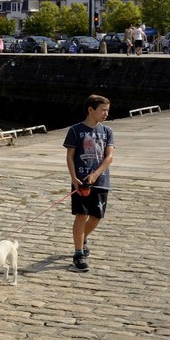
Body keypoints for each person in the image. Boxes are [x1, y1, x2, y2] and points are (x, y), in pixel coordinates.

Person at [64, 94, 114, 271]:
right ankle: (78, 253)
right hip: (80, 182)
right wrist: (74, 178)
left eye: (107, 110)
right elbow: (70, 157)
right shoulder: (75, 130)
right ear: (91, 110)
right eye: (103, 110)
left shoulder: (107, 131)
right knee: (81, 215)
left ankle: (82, 237)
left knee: (96, 216)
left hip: (100, 181)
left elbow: (109, 157)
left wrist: (95, 174)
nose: (106, 113)